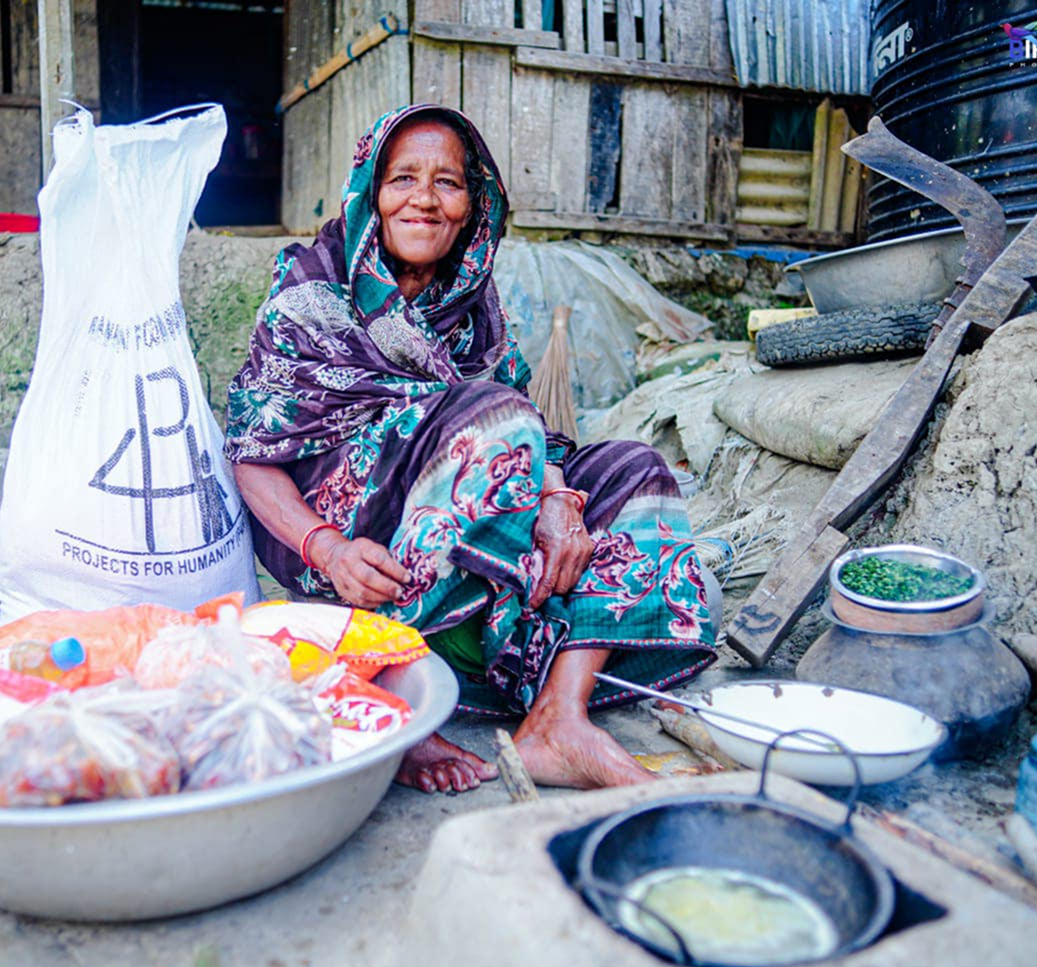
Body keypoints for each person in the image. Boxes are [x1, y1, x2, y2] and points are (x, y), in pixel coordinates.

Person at [225, 104, 715, 793]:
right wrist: (327, 549)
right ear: (372, 191)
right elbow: (251, 455)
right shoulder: (311, 292)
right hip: (342, 549)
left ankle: (558, 718)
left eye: (448, 183)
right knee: (498, 420)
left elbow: (527, 431)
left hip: (461, 502)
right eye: (402, 179)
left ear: (474, 203)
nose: (423, 199)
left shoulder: (474, 305)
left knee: (635, 471)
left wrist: (555, 500)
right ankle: (395, 697)